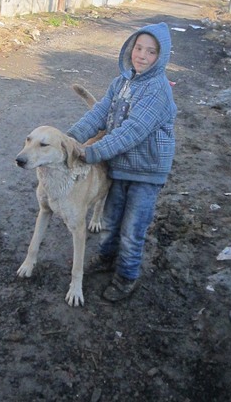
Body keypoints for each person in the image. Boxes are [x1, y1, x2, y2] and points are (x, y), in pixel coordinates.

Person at [67, 22, 177, 302]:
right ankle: (106, 258)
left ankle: (126, 277)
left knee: (132, 229)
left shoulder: (157, 90)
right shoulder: (122, 83)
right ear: (130, 49)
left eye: (151, 52)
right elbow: (99, 114)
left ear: (161, 57)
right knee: (110, 220)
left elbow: (132, 131)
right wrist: (69, 139)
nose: (142, 56)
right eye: (138, 48)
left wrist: (91, 153)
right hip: (120, 167)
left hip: (147, 172)